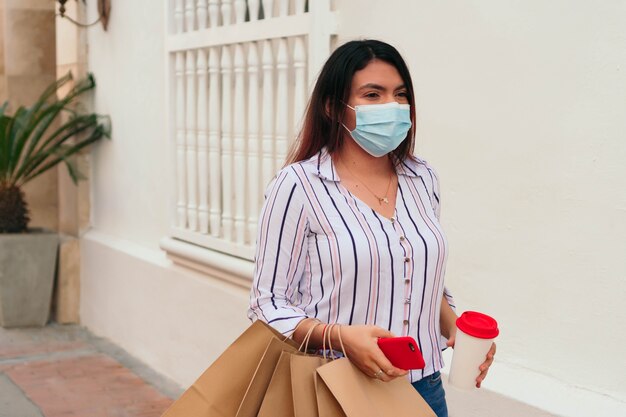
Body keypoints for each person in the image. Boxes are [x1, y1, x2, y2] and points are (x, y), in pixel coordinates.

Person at [248, 39, 496, 417]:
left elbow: (418, 272)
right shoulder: (298, 185)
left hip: (423, 385)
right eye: (372, 94)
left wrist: (457, 329)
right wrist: (340, 337)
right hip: (335, 385)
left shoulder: (422, 176)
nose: (391, 107)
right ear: (334, 108)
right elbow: (266, 303)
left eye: (400, 95)